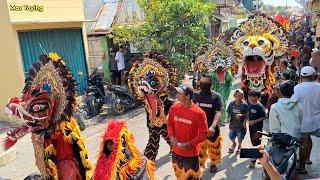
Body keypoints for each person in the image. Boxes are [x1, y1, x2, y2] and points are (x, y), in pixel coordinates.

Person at [167, 83, 208, 180]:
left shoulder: (199, 113)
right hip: (176, 152)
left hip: (190, 155)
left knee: (191, 178)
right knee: (179, 176)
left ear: (188, 96)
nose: (177, 95)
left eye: (180, 93)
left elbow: (204, 133)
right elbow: (170, 123)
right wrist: (172, 136)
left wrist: (190, 144)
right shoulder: (174, 108)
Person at [292, 66, 320, 174]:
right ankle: (307, 159)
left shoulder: (297, 88)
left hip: (303, 122)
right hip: (318, 121)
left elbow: (293, 104)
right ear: (313, 76)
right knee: (307, 141)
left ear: (301, 76)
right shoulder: (318, 86)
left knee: (304, 142)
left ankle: (302, 166)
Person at [193, 74, 223, 173]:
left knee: (214, 148)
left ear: (210, 83)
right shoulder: (196, 95)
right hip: (199, 129)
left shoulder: (216, 97)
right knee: (201, 149)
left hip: (212, 129)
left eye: (205, 82)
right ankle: (200, 166)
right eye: (201, 82)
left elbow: (218, 113)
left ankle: (213, 163)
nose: (203, 84)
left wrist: (213, 127)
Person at [247, 90, 267, 168]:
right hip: (251, 128)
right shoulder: (250, 104)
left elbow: (265, 116)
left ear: (257, 97)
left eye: (252, 96)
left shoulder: (260, 106)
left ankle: (253, 161)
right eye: (249, 96)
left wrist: (255, 121)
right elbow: (248, 113)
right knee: (253, 142)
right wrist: (245, 121)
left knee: (256, 143)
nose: (250, 98)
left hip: (257, 128)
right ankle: (259, 155)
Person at [227, 89, 248, 154]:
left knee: (240, 138)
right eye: (237, 96)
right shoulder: (231, 104)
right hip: (232, 125)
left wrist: (242, 115)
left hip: (241, 126)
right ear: (234, 96)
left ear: (243, 96)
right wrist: (228, 117)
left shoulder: (245, 105)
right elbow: (229, 112)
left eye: (240, 96)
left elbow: (248, 114)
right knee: (231, 136)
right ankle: (234, 144)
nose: (238, 97)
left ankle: (239, 146)